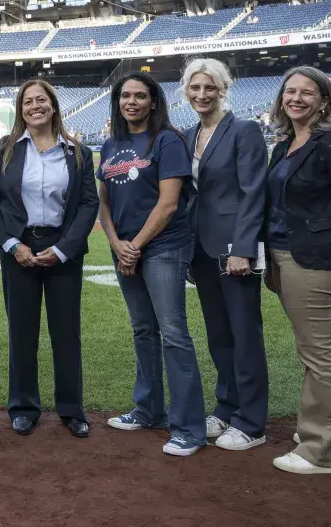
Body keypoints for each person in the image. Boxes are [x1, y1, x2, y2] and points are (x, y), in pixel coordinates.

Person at [264, 66, 331, 475]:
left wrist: (324, 239)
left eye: (307, 92)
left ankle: (322, 451)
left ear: (324, 100)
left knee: (316, 354)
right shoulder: (285, 145)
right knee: (324, 350)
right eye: (289, 91)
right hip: (283, 255)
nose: (296, 98)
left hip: (312, 260)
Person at [97, 71, 206, 456]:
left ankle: (190, 428)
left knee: (173, 333)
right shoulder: (112, 143)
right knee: (143, 330)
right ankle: (149, 409)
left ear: (153, 101)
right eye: (125, 96)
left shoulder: (167, 140)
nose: (131, 102)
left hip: (162, 247)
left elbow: (169, 203)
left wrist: (135, 246)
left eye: (140, 96)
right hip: (125, 246)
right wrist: (116, 243)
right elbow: (104, 201)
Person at [0, 79, 97, 439]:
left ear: (53, 106)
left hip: (62, 249)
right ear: (21, 109)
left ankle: (71, 409)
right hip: (20, 249)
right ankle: (23, 407)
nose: (35, 106)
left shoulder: (77, 151)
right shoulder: (6, 149)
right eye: (28, 101)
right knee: (22, 331)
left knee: (66, 332)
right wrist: (12, 244)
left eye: (41, 100)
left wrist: (64, 249)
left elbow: (89, 203)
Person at [181, 59, 270, 451]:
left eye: (209, 88)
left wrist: (243, 249)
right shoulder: (188, 135)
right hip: (201, 250)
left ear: (223, 89)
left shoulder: (244, 130)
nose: (202, 94)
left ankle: (251, 422)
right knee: (219, 335)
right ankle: (227, 407)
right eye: (195, 88)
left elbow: (254, 193)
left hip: (235, 251)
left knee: (244, 335)